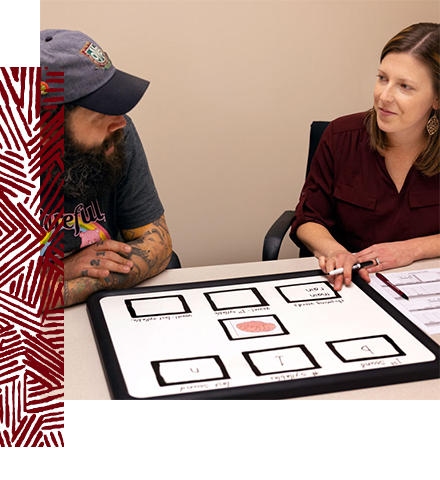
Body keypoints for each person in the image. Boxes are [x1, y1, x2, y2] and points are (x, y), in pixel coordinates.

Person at [290, 22, 439, 291]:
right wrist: (334, 251)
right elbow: (308, 219)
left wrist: (412, 250)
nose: (384, 96)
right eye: (383, 78)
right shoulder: (340, 137)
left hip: (427, 288)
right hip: (351, 285)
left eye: (405, 86)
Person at [40, 29, 173, 309]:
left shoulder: (116, 137)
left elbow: (157, 245)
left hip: (106, 312)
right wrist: (66, 267)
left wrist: (89, 281)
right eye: (100, 114)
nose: (120, 123)